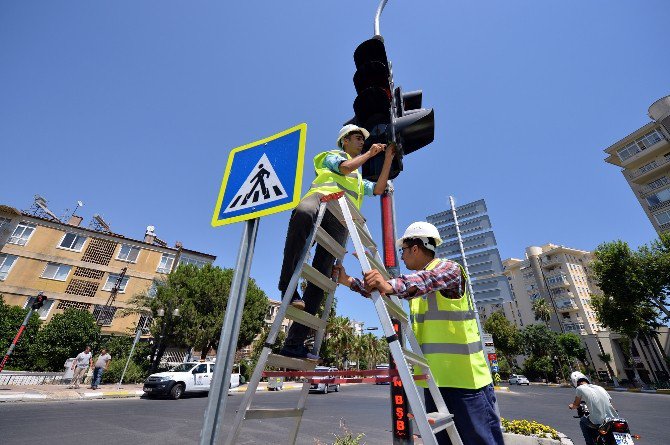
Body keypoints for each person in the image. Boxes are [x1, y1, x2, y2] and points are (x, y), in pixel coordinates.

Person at [333, 221, 504, 445]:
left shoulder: (448, 270)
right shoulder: (417, 286)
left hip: (467, 383)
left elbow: (424, 281)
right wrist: (348, 281)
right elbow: (389, 292)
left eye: (403, 251)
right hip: (436, 383)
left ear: (415, 248)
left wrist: (389, 284)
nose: (402, 257)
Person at [278, 124, 395, 360]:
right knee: (303, 213)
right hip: (321, 201)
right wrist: (371, 154)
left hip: (341, 220)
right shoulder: (331, 156)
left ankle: (294, 343)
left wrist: (388, 159)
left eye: (363, 139)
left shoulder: (359, 180)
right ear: (344, 141)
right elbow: (344, 168)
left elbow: (379, 188)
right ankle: (286, 286)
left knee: (320, 280)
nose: (362, 141)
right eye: (356, 138)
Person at [568, 371, 618, 445]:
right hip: (613, 418)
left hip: (599, 421)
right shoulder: (600, 387)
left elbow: (576, 404)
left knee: (583, 422)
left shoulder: (579, 389)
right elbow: (611, 404)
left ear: (575, 382)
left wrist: (571, 406)